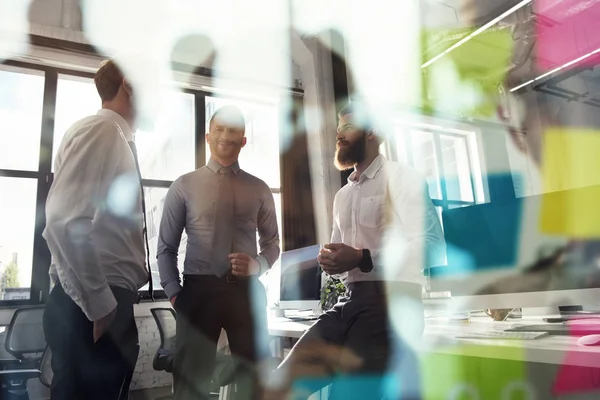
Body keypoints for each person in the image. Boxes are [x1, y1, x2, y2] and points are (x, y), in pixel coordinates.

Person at [274, 101, 446, 399]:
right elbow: (343, 259)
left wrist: (362, 257)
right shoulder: (342, 195)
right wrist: (332, 262)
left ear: (373, 133)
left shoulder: (403, 178)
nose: (339, 135)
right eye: (338, 129)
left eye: (349, 128)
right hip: (349, 302)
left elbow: (432, 247)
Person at [43, 59, 150, 400]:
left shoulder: (110, 135)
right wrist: (101, 304)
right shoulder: (103, 130)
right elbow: (63, 218)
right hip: (95, 305)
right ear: (128, 86)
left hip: (92, 301)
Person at [157, 105, 281, 400]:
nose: (226, 136)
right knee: (191, 386)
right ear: (208, 137)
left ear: (244, 140)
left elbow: (273, 243)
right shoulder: (183, 186)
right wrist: (176, 294)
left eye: (234, 130)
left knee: (253, 383)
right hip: (198, 291)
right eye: (220, 129)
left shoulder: (260, 189)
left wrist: (259, 265)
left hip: (246, 293)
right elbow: (165, 249)